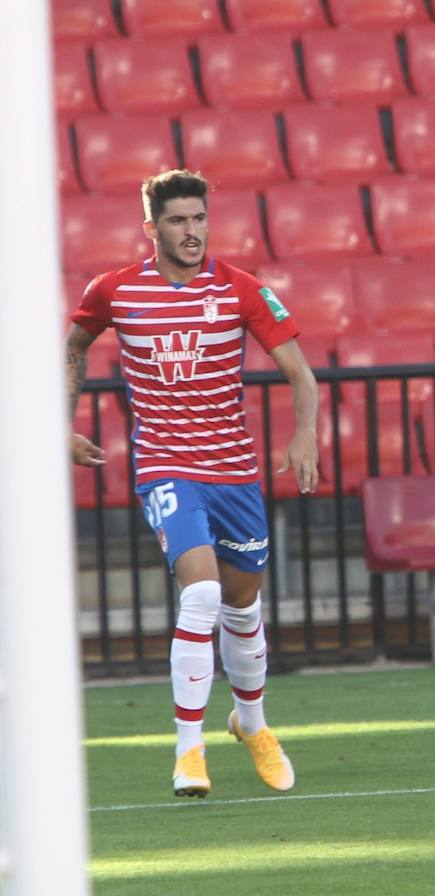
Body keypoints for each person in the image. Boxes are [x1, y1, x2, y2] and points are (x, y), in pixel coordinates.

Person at [66, 169, 319, 797]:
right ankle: (188, 751)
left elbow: (301, 373)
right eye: (178, 221)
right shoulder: (116, 291)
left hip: (234, 471)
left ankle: (251, 723)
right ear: (151, 228)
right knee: (201, 595)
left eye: (199, 219)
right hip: (167, 468)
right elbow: (74, 346)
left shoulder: (240, 290)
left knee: (242, 606)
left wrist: (304, 433)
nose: (192, 232)